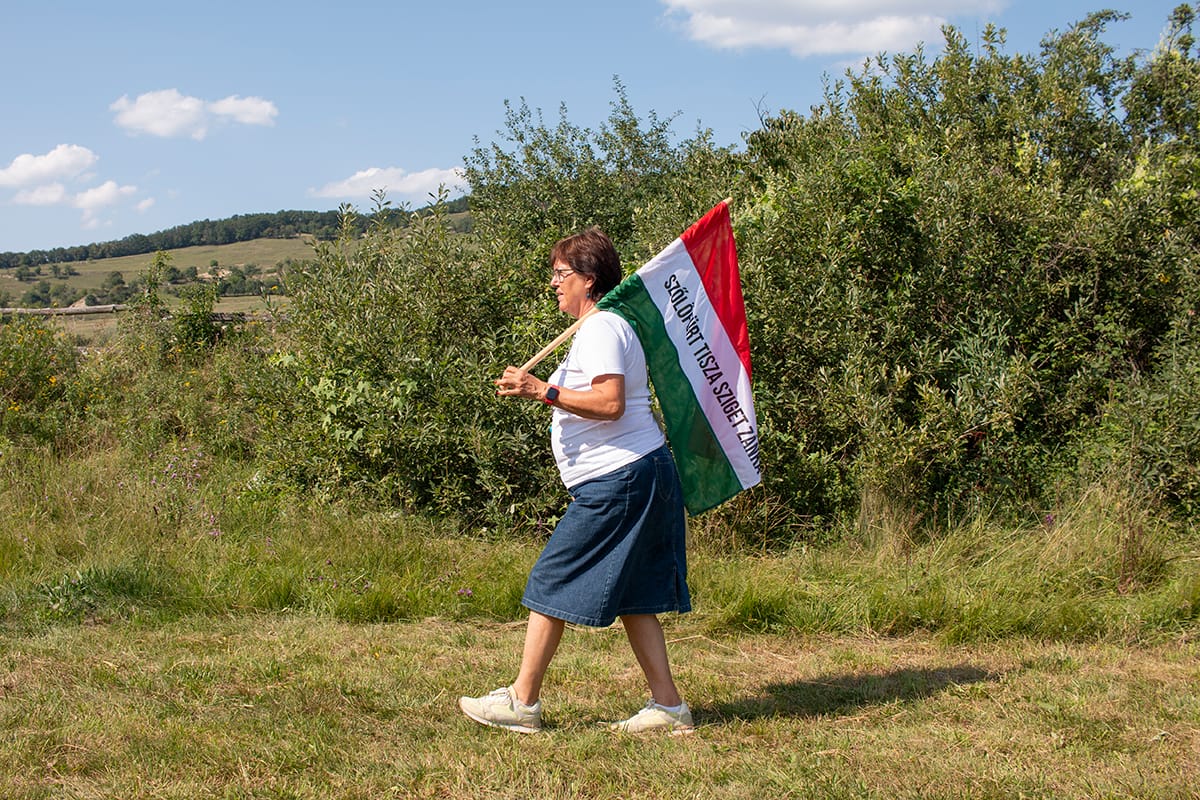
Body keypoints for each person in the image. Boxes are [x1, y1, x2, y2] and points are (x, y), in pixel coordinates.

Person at [459, 226, 694, 735]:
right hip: (634, 473)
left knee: (552, 576)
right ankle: (669, 707)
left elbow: (610, 404)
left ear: (588, 279)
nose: (553, 283)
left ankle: (522, 702)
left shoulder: (603, 328)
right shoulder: (598, 327)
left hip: (619, 477)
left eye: (560, 273)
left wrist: (541, 391)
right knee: (635, 594)